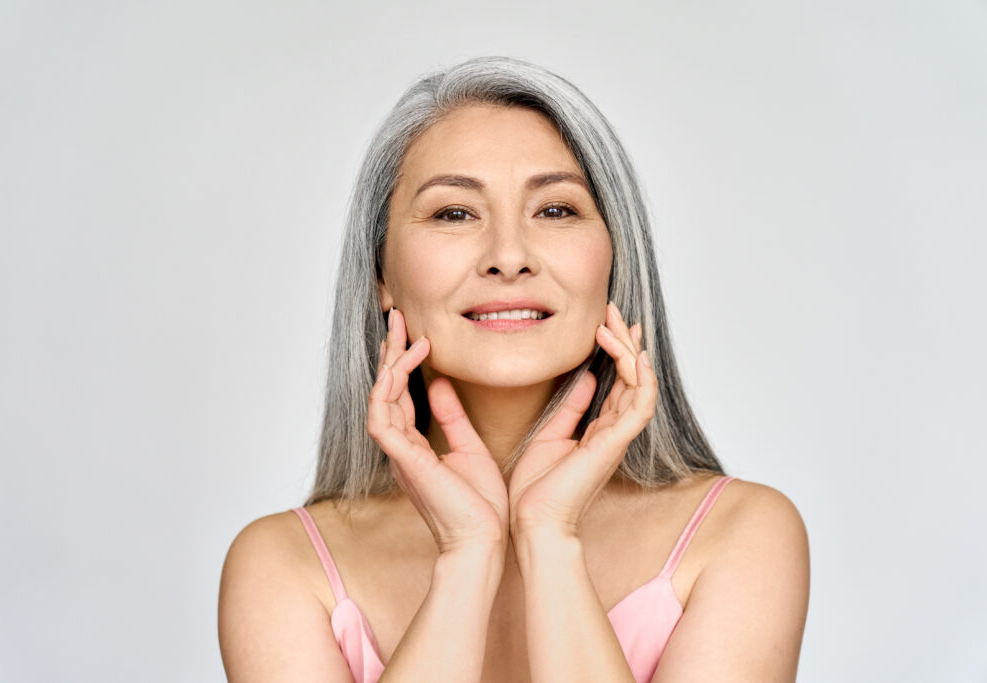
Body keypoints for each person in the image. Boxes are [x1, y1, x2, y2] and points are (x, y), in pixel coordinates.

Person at [218, 55, 810, 682]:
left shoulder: (739, 533)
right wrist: (465, 556)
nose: (508, 256)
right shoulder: (282, 565)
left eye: (555, 210)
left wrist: (550, 537)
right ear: (380, 274)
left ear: (616, 256)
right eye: (454, 213)